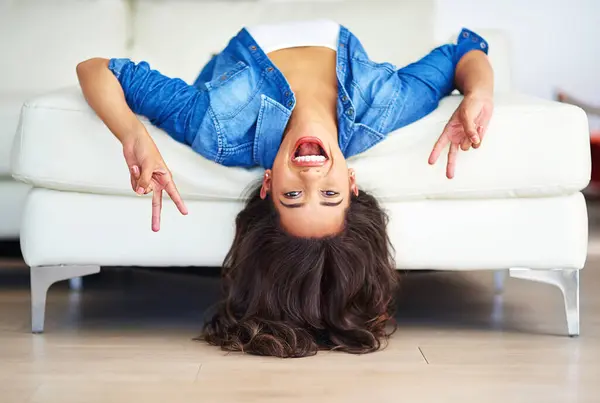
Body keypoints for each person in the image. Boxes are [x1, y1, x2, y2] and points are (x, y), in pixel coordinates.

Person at [76, 20, 494, 357]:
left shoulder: (218, 126)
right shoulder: (382, 106)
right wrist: (479, 93)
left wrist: (133, 135)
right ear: (352, 182)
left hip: (232, 66)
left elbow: (96, 69)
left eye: (292, 196)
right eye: (330, 195)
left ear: (268, 184)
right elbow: (465, 52)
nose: (311, 179)